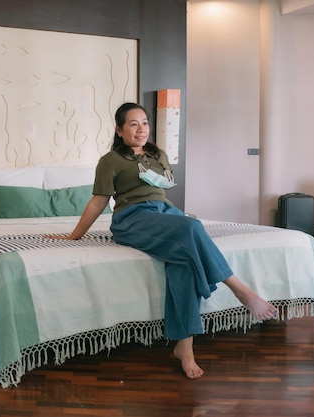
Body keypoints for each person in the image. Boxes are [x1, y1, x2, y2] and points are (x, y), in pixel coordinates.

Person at [47, 102, 278, 380]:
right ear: (119, 130)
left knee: (184, 259)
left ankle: (185, 347)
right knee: (193, 227)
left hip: (164, 213)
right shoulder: (110, 161)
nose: (141, 129)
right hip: (132, 218)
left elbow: (162, 191)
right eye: (133, 124)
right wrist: (75, 235)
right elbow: (99, 202)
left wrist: (174, 218)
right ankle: (240, 289)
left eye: (144, 122)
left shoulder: (159, 155)